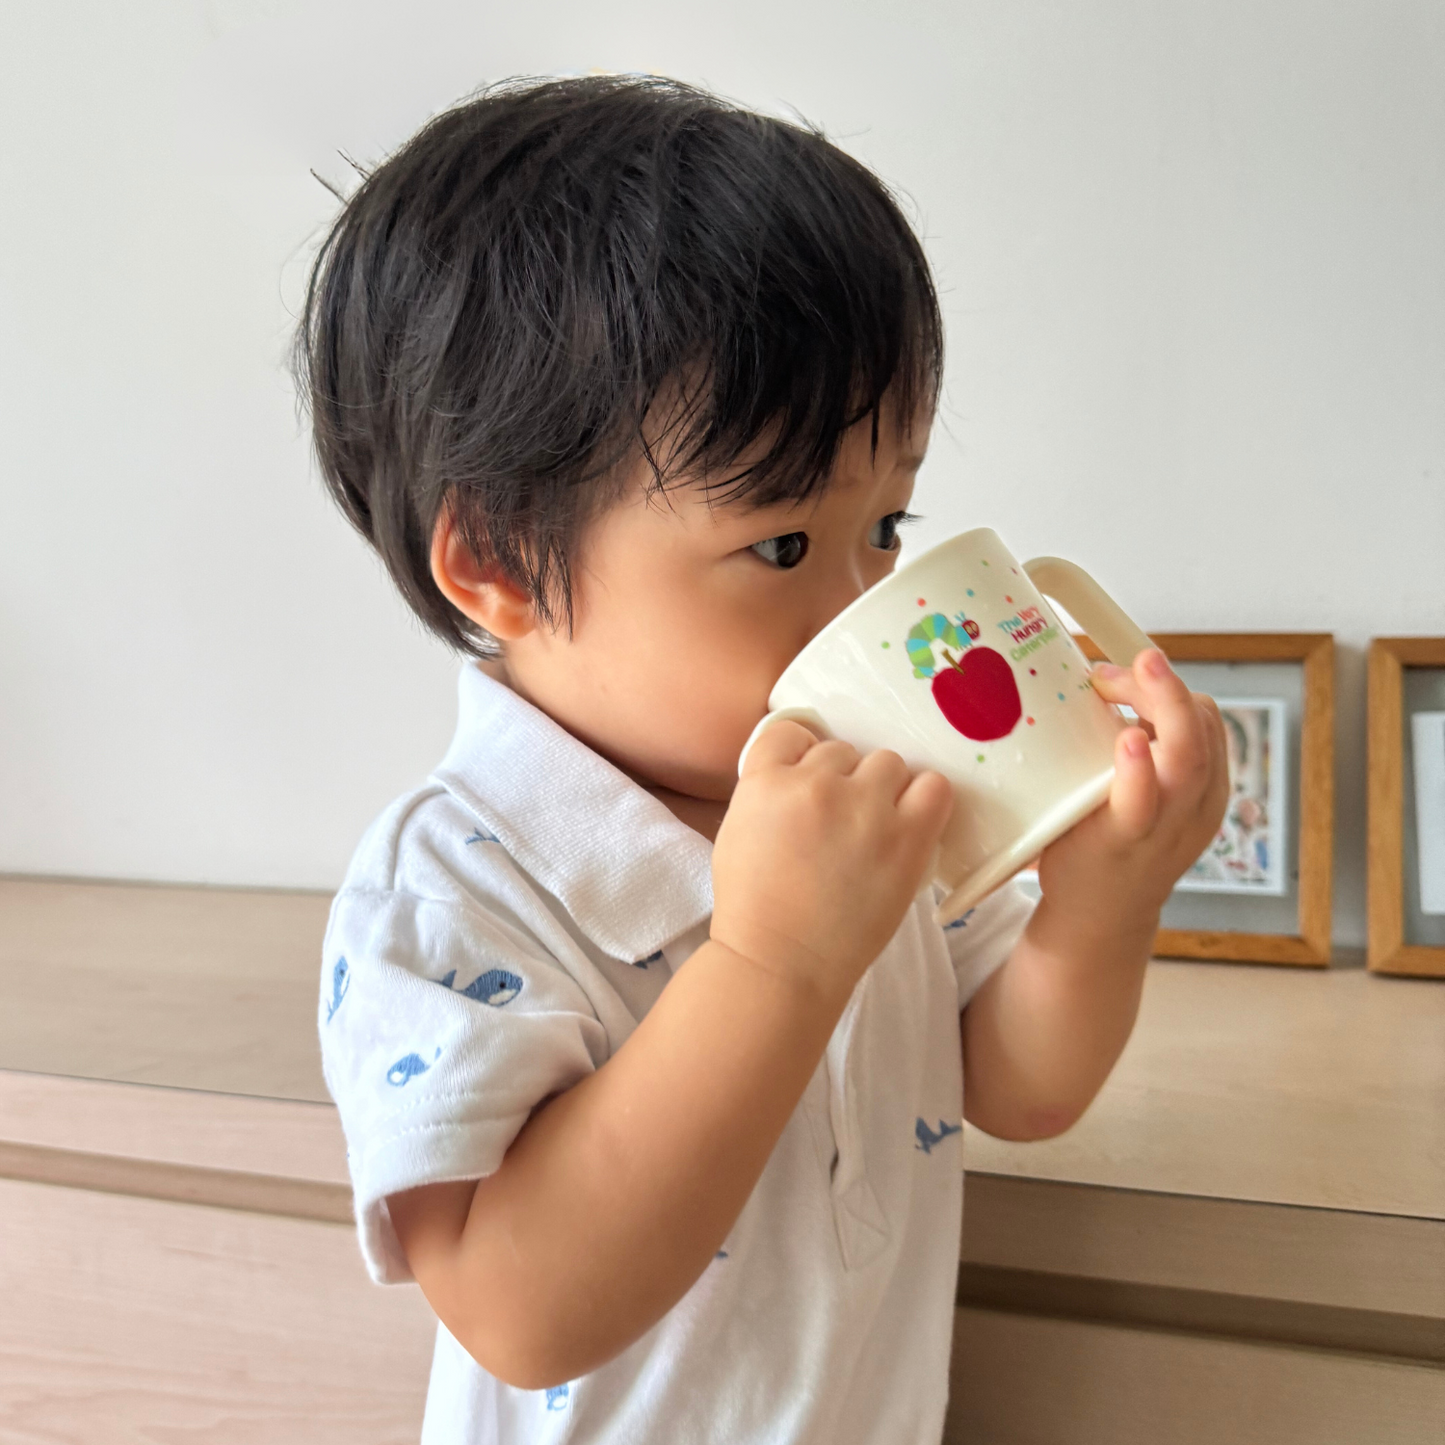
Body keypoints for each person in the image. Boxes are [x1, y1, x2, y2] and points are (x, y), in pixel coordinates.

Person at [295, 74, 1227, 1444]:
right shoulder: (454, 884)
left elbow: (1015, 1090)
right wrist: (775, 965)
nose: (863, 602)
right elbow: (520, 1305)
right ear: (495, 563)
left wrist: (1105, 901)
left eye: (888, 529)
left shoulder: (868, 804)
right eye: (782, 546)